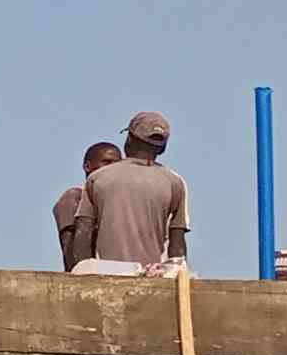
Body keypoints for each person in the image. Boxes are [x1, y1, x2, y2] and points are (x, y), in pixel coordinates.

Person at [79, 110, 188, 273]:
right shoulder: (175, 182)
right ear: (162, 149)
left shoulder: (98, 178)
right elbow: (177, 246)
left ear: (129, 140)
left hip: (106, 275)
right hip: (152, 278)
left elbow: (83, 234)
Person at [54, 141, 121, 270]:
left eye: (117, 164)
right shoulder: (74, 197)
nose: (112, 169)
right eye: (107, 162)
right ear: (87, 166)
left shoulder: (122, 199)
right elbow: (70, 250)